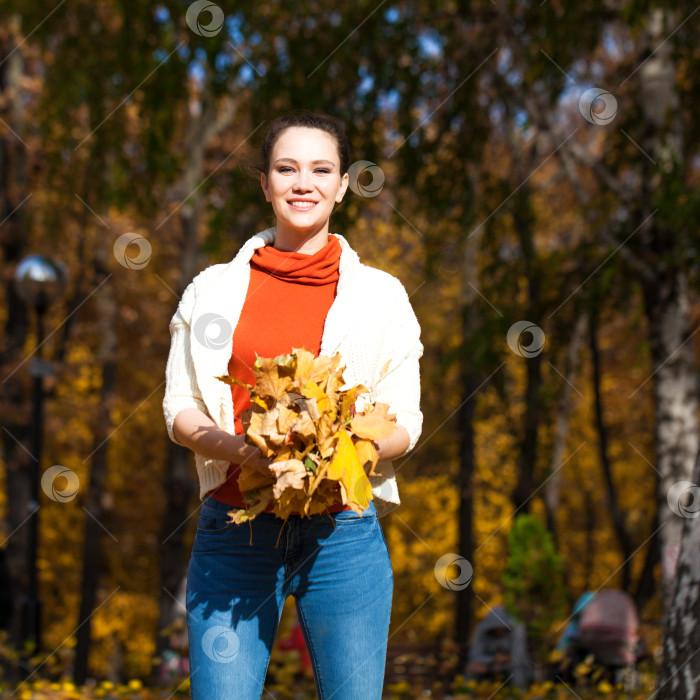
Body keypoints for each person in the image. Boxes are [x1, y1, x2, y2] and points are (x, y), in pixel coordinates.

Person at [162, 111, 423, 700]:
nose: (303, 182)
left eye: (320, 169)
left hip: (343, 535)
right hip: (235, 533)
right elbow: (181, 409)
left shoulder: (381, 295)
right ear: (265, 182)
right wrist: (239, 451)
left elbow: (406, 419)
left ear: (343, 185)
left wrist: (344, 450)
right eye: (287, 168)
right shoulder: (212, 289)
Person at [465, 605, 532, 689]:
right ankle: (467, 694)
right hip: (489, 666)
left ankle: (517, 694)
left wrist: (505, 660)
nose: (499, 631)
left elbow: (519, 658)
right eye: (495, 628)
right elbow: (474, 655)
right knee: (472, 668)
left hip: (510, 667)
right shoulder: (481, 630)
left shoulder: (517, 628)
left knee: (518, 671)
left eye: (501, 627)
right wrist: (492, 660)